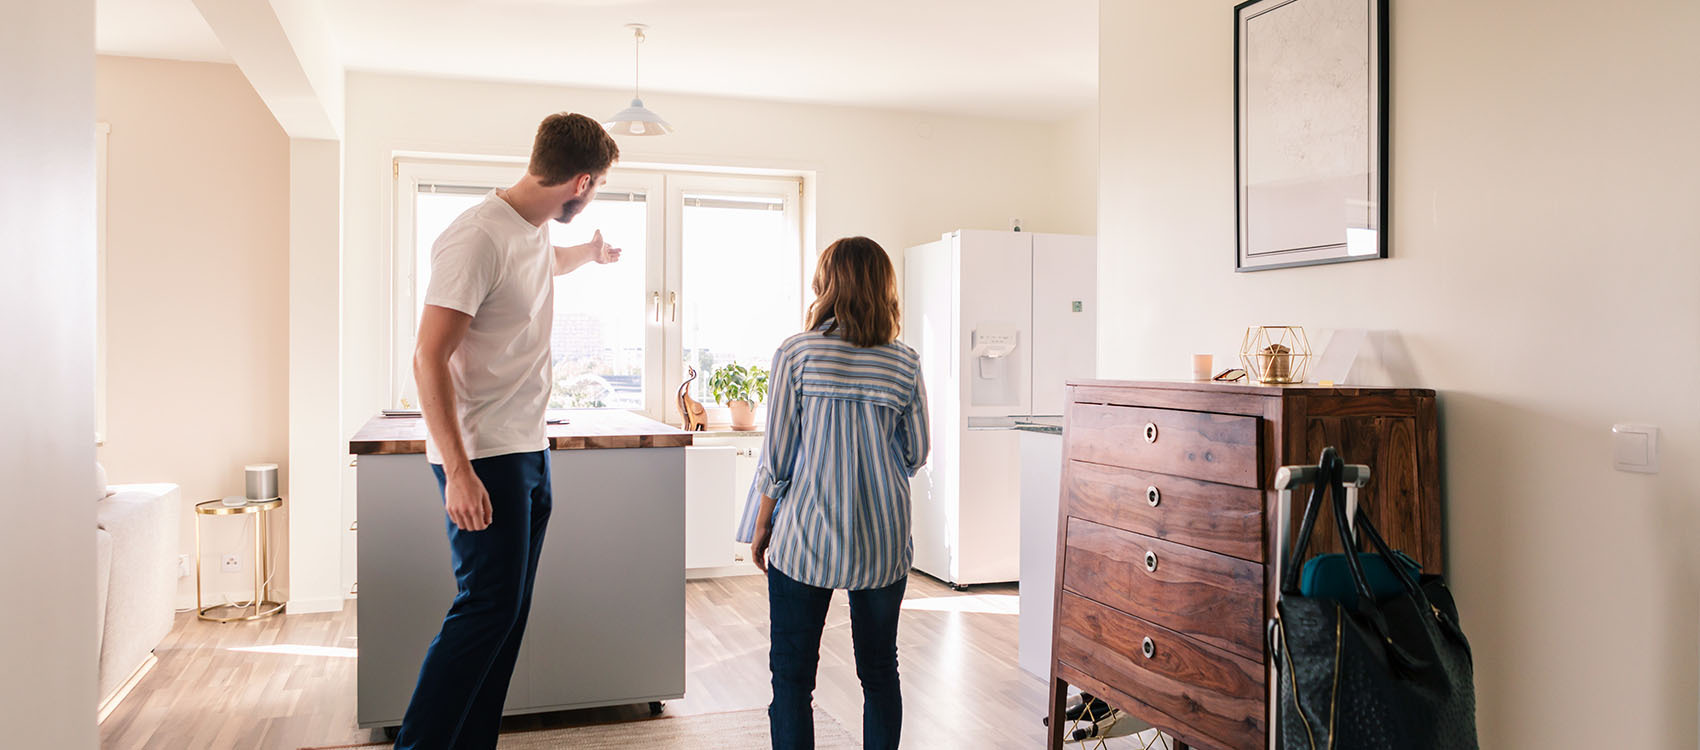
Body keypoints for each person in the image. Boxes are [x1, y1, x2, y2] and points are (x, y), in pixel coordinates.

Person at [396, 112, 623, 750]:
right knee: (484, 612)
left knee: (505, 618)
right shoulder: (476, 237)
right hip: (484, 457)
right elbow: (428, 357)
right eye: (599, 185)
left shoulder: (530, 231)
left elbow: (547, 262)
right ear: (581, 182)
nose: (593, 196)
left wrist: (592, 254)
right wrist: (458, 471)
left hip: (527, 452)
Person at [736, 236, 931, 750]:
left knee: (793, 677)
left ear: (827, 286)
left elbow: (777, 458)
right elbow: (916, 454)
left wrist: (761, 525)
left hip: (806, 537)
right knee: (879, 671)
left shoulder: (796, 354)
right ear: (884, 289)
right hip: (883, 538)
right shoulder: (905, 362)